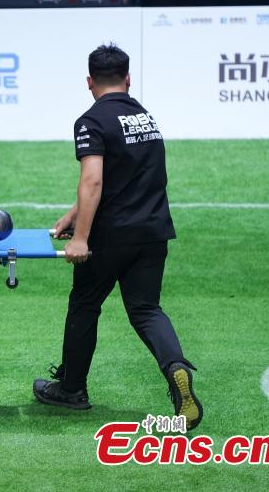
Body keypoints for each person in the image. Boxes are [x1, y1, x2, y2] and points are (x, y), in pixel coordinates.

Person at [33, 44, 203, 431]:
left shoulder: (91, 121)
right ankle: (175, 367)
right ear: (127, 79)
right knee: (146, 310)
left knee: (85, 304)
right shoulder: (144, 117)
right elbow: (126, 175)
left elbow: (94, 180)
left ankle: (72, 390)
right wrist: (74, 213)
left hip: (111, 236)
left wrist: (81, 237)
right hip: (153, 231)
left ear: (89, 82)